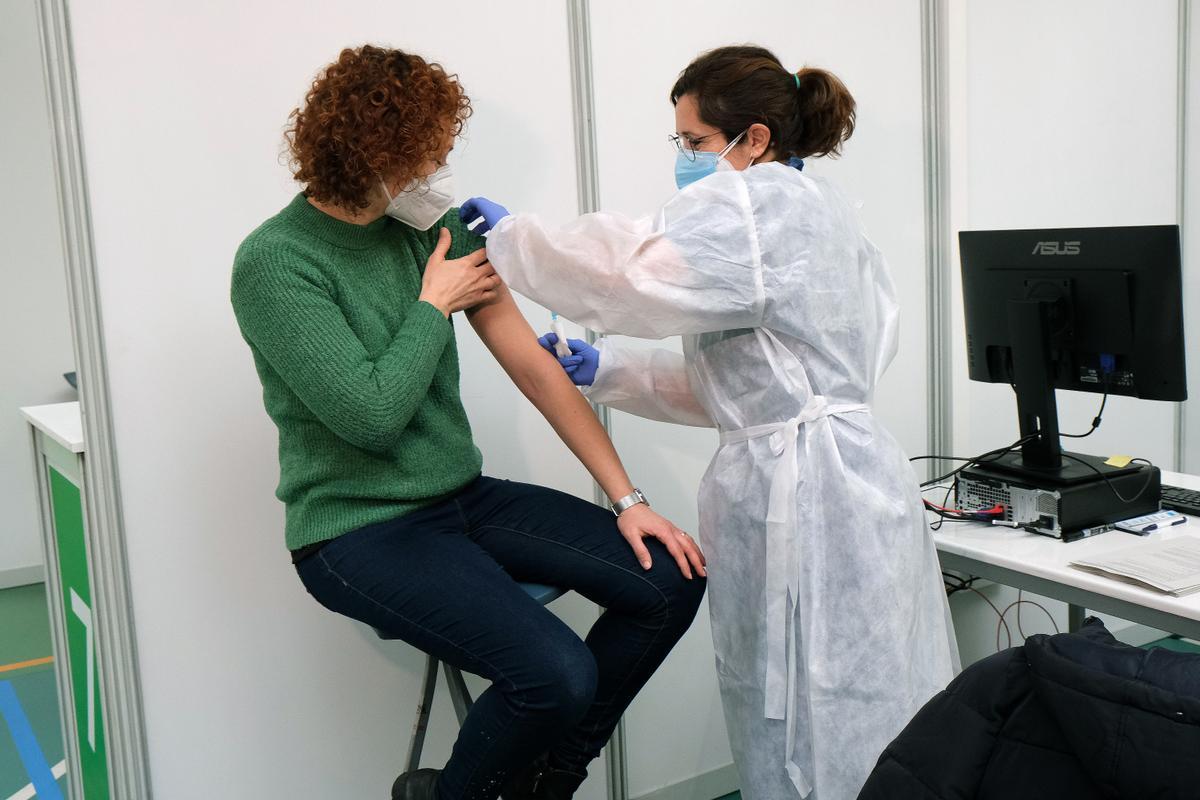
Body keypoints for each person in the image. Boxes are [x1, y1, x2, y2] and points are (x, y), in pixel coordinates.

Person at [461, 45, 959, 800]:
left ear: (753, 138)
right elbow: (758, 383)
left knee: (827, 696)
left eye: (693, 142)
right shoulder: (820, 210)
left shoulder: (757, 207)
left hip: (815, 494)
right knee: (848, 688)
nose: (686, 161)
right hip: (836, 475)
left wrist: (516, 241)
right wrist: (614, 371)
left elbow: (627, 272)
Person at [230, 45, 707, 800]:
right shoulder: (276, 262)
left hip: (462, 498)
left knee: (670, 579)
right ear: (370, 157)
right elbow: (372, 418)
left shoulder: (433, 226)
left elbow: (532, 366)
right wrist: (431, 305)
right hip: (357, 529)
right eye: (426, 161)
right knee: (555, 672)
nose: (439, 179)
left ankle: (548, 777)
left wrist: (630, 500)